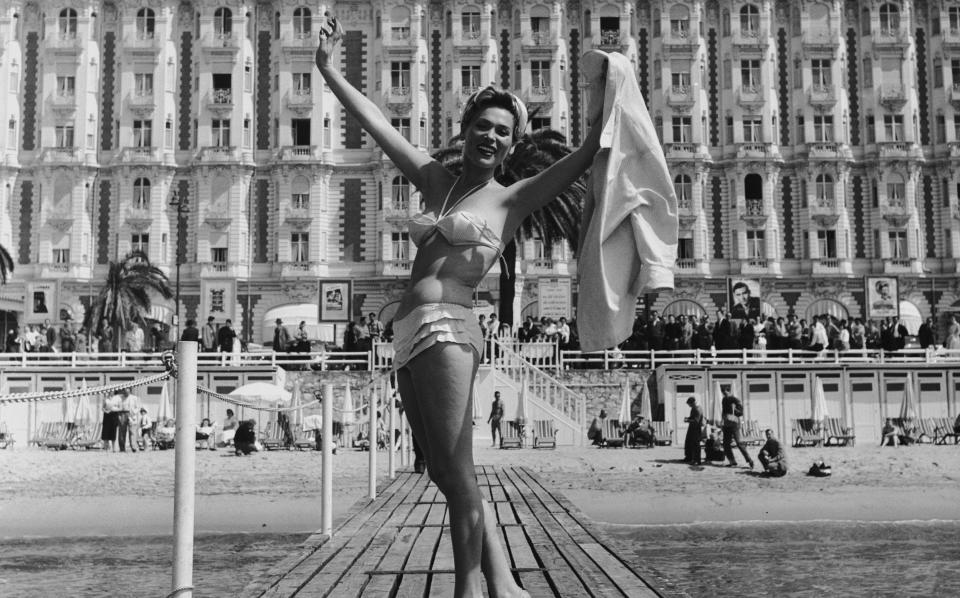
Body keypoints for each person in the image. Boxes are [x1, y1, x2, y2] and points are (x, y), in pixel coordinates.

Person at [318, 14, 604, 595]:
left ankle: (469, 589)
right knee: (442, 468)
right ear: (466, 127)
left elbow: (580, 156)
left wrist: (607, 99)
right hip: (407, 330)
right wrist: (327, 69)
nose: (491, 136)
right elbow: (376, 123)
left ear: (511, 144)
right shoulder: (433, 180)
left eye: (503, 131)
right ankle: (502, 583)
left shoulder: (514, 199)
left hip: (451, 327)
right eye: (482, 125)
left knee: (457, 468)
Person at [720, 386, 754, 469]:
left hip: (735, 424)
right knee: (725, 444)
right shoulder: (724, 400)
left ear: (729, 391)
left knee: (739, 443)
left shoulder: (735, 399)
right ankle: (732, 461)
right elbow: (723, 411)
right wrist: (722, 421)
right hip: (727, 424)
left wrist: (734, 410)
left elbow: (741, 413)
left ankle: (749, 460)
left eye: (725, 392)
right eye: (723, 393)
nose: (724, 394)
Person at [117, 388, 141, 453]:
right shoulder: (119, 397)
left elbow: (138, 407)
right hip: (122, 414)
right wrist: (119, 415)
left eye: (127, 392)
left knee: (132, 431)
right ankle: (122, 448)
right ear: (123, 392)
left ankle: (133, 447)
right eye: (125, 392)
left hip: (131, 415)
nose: (126, 393)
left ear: (130, 392)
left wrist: (134, 412)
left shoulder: (134, 398)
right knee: (122, 432)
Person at [683, 396, 703, 465]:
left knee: (696, 445)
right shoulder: (693, 408)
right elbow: (693, 417)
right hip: (692, 428)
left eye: (689, 404)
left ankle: (697, 460)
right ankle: (689, 457)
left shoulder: (697, 409)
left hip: (696, 429)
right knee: (689, 443)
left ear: (693, 403)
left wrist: (688, 420)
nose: (689, 406)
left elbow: (696, 421)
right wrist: (688, 418)